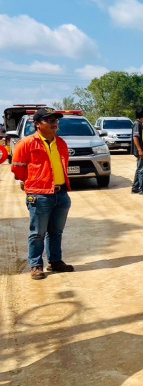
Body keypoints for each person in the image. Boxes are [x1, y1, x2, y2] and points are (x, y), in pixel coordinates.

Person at [11, 108, 74, 280]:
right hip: (39, 195)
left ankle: (55, 262)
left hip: (61, 194)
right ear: (37, 124)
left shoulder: (61, 143)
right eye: (50, 120)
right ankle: (36, 265)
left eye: (56, 120)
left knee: (56, 232)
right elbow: (18, 169)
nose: (55, 123)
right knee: (37, 233)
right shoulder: (26, 144)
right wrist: (34, 183)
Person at [131, 108, 143, 195]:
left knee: (139, 168)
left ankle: (135, 188)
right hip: (140, 151)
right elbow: (135, 137)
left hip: (141, 150)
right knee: (142, 170)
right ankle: (142, 189)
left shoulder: (139, 124)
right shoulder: (137, 124)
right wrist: (140, 150)